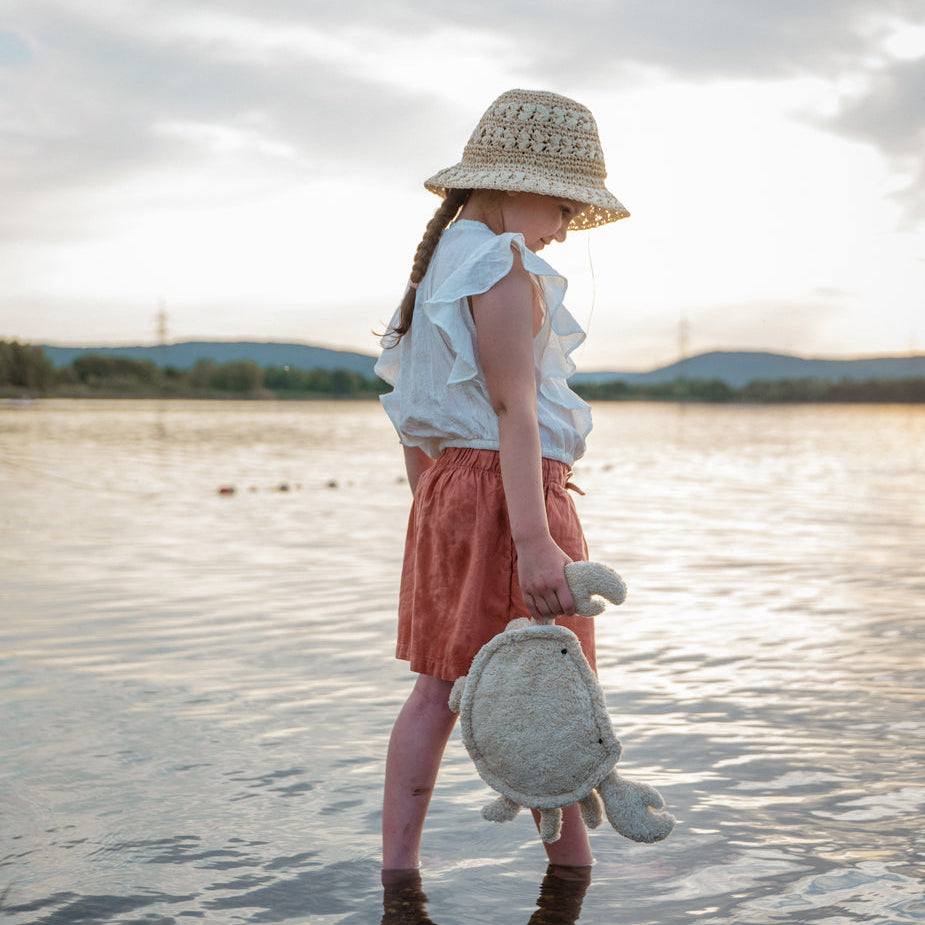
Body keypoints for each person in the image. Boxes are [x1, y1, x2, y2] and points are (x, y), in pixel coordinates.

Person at [375, 88, 630, 876]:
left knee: (435, 689)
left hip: (449, 491)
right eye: (559, 206)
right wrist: (533, 541)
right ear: (516, 185)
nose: (559, 229)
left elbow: (413, 417)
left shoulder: (437, 269)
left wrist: (435, 508)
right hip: (509, 496)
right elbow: (513, 408)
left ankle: (398, 872)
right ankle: (572, 871)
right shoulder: (501, 268)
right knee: (551, 686)